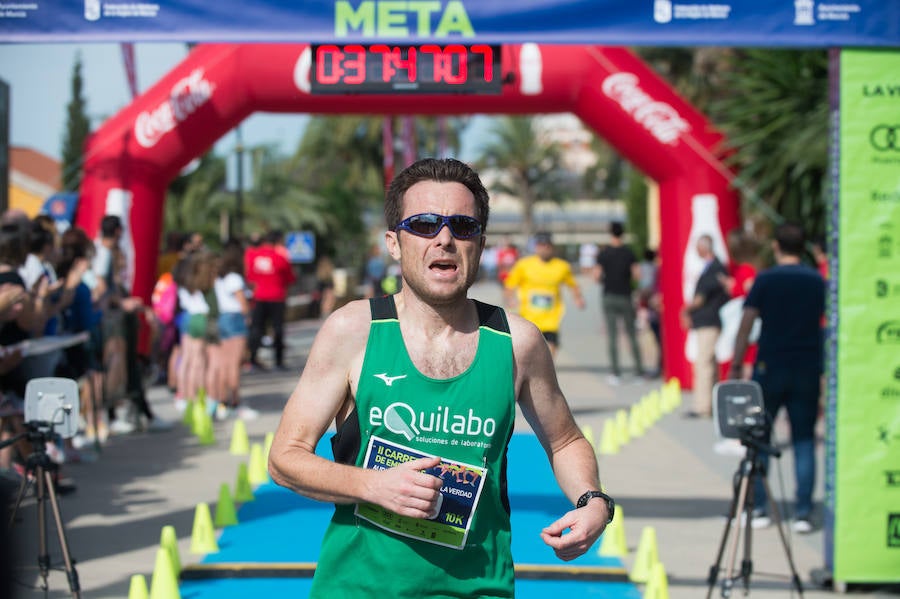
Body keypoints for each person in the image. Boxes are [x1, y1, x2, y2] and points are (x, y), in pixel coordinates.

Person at [269, 158, 613, 599]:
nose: (445, 238)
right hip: (358, 587)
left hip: (478, 588)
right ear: (394, 243)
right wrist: (373, 486)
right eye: (425, 224)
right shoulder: (353, 330)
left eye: (462, 226)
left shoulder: (517, 342)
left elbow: (565, 441)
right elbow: (284, 458)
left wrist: (593, 501)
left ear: (481, 244)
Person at [730, 222, 825, 533]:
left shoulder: (766, 280)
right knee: (803, 439)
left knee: (759, 438)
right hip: (808, 368)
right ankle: (802, 512)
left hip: (769, 367)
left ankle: (759, 508)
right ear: (804, 248)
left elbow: (746, 323)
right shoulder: (817, 281)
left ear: (776, 247)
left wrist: (736, 363)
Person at [503, 232, 585, 360]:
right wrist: (510, 299)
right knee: (527, 350)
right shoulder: (524, 265)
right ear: (536, 247)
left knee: (551, 349)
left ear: (552, 247)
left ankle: (545, 371)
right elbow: (509, 285)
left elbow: (573, 285)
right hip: (529, 317)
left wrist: (578, 298)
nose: (544, 248)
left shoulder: (562, 266)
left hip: (551, 318)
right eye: (541, 245)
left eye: (547, 245)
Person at [680, 233, 729, 418]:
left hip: (709, 322)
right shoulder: (717, 268)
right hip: (710, 321)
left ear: (703, 248)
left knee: (703, 364)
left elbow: (700, 299)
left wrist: (686, 310)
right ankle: (711, 404)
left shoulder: (714, 269)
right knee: (709, 363)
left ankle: (703, 406)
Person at [594, 222, 644, 384]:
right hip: (625, 296)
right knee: (631, 334)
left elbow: (596, 275)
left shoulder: (604, 253)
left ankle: (615, 372)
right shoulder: (629, 252)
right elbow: (637, 275)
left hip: (609, 296)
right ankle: (639, 372)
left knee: (612, 335)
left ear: (610, 233)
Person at [244, 230, 296, 371]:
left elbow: (249, 277)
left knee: (256, 328)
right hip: (277, 297)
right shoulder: (280, 258)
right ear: (278, 242)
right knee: (277, 329)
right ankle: (278, 361)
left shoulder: (254, 256)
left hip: (259, 297)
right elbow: (290, 279)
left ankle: (253, 360)